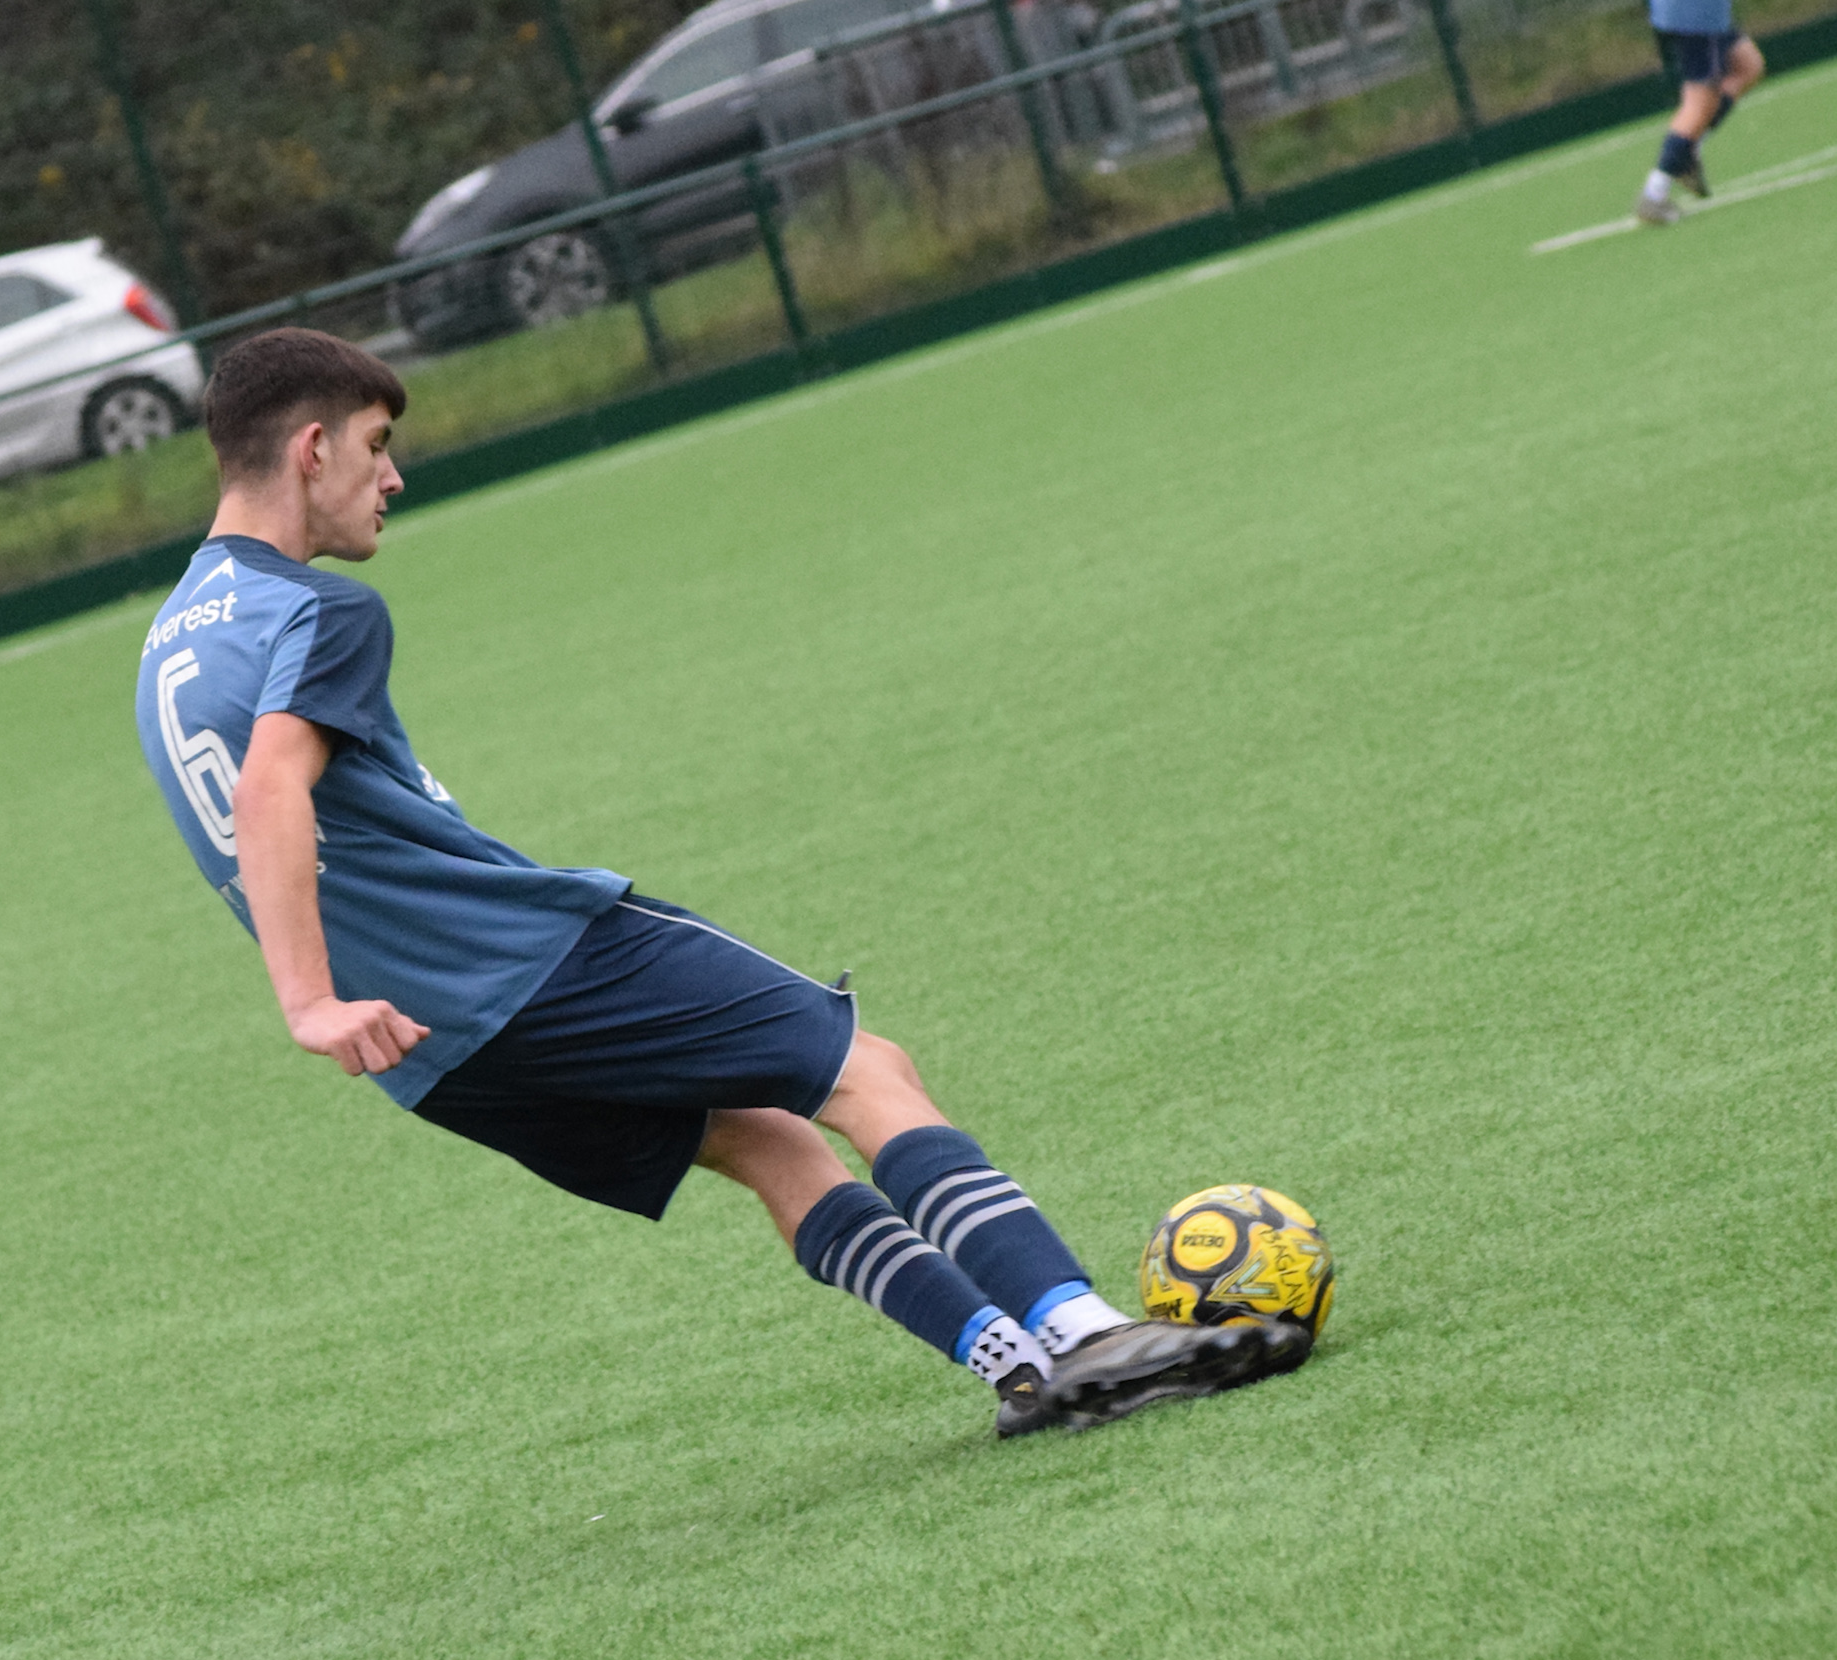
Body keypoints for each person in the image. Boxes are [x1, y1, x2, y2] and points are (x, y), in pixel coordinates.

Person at [133, 327, 1306, 1438]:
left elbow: (250, 807)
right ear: (312, 449)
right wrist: (305, 999)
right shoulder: (322, 607)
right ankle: (1085, 1332)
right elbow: (270, 791)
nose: (392, 477)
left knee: (762, 1144)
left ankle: (1016, 1368)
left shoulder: (172, 640)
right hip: (523, 959)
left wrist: (334, 993)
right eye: (378, 445)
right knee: (861, 1070)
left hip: (434, 1052)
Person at [1636, 0, 1764, 225]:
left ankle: (1687, 153)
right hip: (1695, 15)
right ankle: (1654, 193)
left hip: (1695, 13)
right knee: (1701, 100)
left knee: (1748, 66)